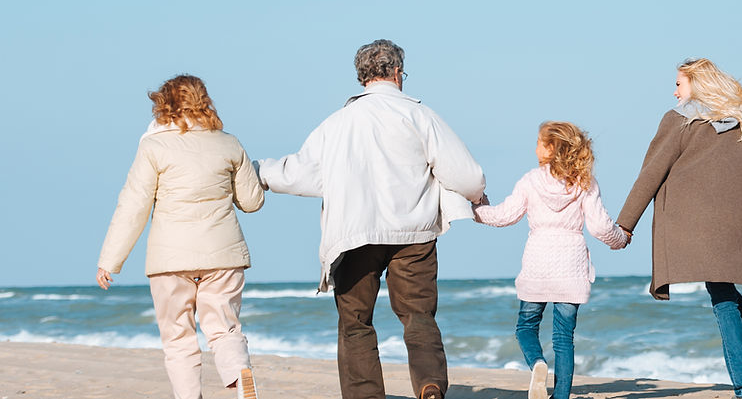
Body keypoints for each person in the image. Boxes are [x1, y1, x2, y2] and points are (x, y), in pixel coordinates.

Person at [256, 39, 486, 399]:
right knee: (419, 317)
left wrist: (257, 172)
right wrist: (476, 196)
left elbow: (300, 173)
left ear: (362, 76)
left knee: (356, 322)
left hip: (355, 234)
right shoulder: (420, 115)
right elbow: (467, 175)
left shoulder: (337, 123)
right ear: (397, 72)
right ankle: (429, 386)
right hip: (414, 234)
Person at [616, 58, 742, 399]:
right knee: (723, 288)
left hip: (700, 228)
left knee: (722, 299)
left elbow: (651, 174)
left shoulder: (679, 121)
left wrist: (626, 225)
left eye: (678, 84)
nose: (674, 92)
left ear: (697, 85)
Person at [96, 74, 264, 399]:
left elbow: (133, 206)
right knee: (225, 329)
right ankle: (239, 376)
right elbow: (253, 202)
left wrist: (110, 261)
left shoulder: (154, 146)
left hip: (170, 259)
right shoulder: (229, 143)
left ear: (163, 105)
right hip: (223, 255)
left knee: (178, 338)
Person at [473, 121, 632, 399]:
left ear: (549, 148)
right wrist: (621, 239)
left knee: (526, 326)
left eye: (537, 142)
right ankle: (560, 396)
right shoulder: (585, 182)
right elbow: (600, 227)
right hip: (571, 266)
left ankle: (537, 363)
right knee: (563, 337)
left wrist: (477, 209)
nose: (534, 147)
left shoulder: (530, 180)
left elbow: (504, 216)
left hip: (538, 262)